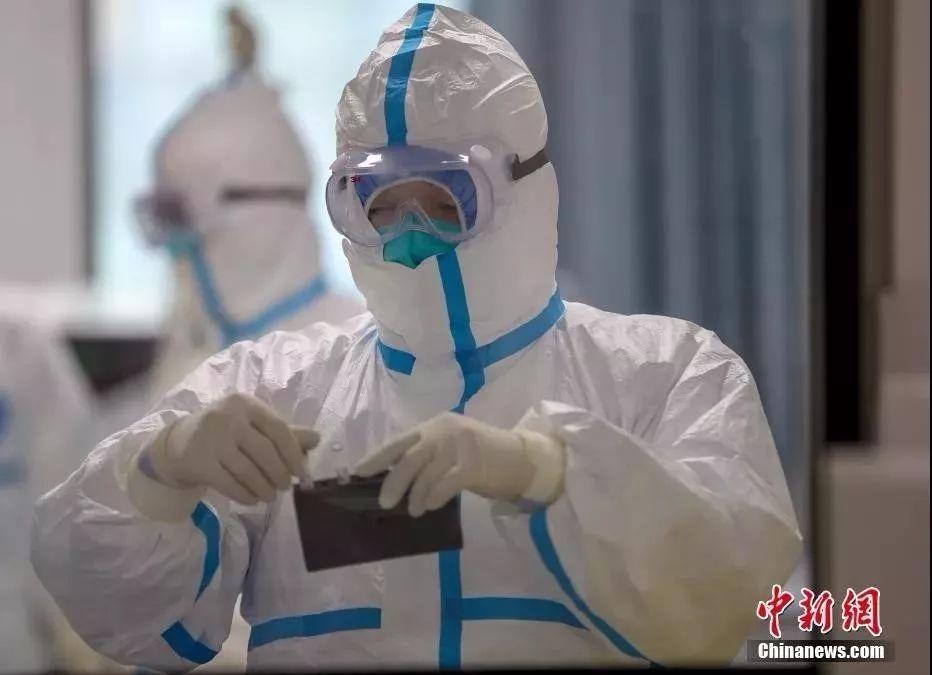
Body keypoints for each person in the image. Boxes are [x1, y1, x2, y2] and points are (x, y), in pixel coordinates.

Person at [32, 4, 802, 669]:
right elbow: (111, 606)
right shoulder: (278, 388)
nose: (406, 240)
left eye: (441, 201)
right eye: (378, 204)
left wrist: (548, 469)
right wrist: (161, 473)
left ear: (524, 190)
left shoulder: (665, 374)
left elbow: (735, 589)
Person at [136, 6, 362, 398]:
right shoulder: (193, 363)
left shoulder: (357, 358)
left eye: (177, 218)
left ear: (257, 220)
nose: (174, 252)